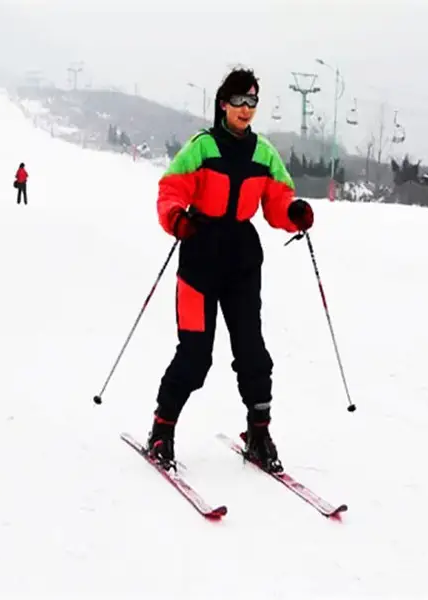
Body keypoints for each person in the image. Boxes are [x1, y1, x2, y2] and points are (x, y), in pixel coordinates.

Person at [146, 67, 314, 473]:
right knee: (195, 356)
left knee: (252, 352)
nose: (246, 109)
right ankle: (162, 429)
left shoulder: (264, 154)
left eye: (252, 102)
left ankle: (258, 432)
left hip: (241, 258)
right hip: (200, 255)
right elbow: (171, 189)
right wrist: (177, 220)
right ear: (223, 104)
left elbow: (277, 200)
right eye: (239, 101)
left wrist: (294, 213)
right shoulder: (201, 148)